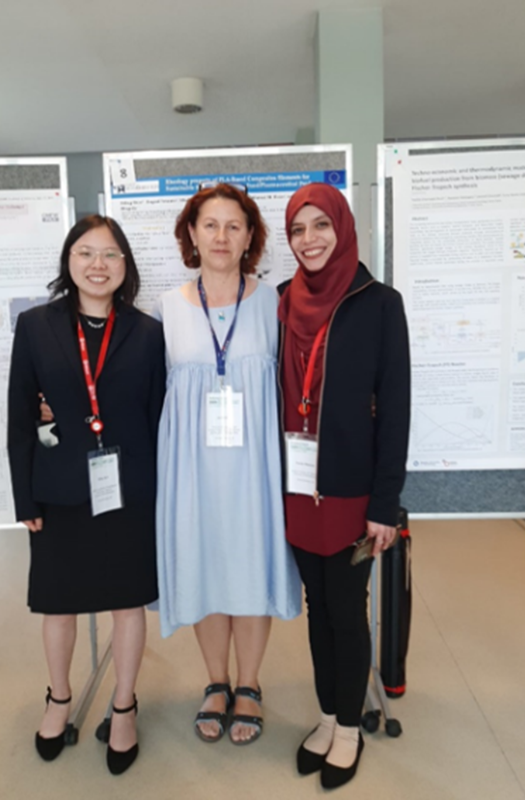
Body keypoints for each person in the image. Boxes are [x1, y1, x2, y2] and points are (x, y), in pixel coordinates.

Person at [7, 215, 165, 775]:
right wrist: (24, 500)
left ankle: (124, 705)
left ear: (126, 266)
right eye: (85, 253)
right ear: (68, 262)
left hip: (129, 490)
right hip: (59, 490)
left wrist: (160, 496)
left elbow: (157, 417)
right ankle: (59, 699)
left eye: (111, 254)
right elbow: (21, 417)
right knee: (58, 603)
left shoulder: (148, 332)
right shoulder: (35, 326)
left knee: (128, 602)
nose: (98, 265)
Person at [153, 183, 301, 745]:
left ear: (250, 238)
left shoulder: (273, 302)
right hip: (190, 468)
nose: (221, 236)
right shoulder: (166, 308)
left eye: (233, 226)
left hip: (254, 465)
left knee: (249, 562)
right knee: (204, 564)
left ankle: (249, 684)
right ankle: (215, 683)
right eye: (209, 225)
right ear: (191, 234)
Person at [277, 183, 410, 789]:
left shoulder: (380, 304)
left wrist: (385, 503)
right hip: (296, 486)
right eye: (298, 229)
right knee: (317, 609)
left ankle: (352, 728)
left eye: (320, 226)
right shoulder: (279, 301)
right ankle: (328, 716)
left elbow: (398, 408)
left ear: (342, 227)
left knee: (348, 610)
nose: (309, 240)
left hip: (354, 491)